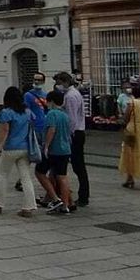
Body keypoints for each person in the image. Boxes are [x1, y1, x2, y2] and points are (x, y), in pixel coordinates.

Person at [0, 86, 39, 217]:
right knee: (26, 177)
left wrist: (0, 146)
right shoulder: (27, 112)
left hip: (11, 148)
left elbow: (5, 131)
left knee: (3, 175)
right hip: (26, 148)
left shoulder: (7, 112)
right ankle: (29, 207)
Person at [56, 73, 89, 208]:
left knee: (78, 166)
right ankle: (81, 194)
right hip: (78, 132)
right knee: (78, 165)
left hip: (75, 133)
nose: (58, 86)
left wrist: (68, 135)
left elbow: (72, 118)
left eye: (58, 82)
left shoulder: (70, 96)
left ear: (64, 82)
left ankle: (83, 196)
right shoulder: (74, 93)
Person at [43, 89, 75, 214]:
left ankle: (57, 200)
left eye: (47, 101)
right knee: (62, 177)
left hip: (55, 149)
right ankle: (66, 204)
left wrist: (46, 145)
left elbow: (52, 129)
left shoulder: (52, 114)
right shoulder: (65, 114)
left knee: (43, 172)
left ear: (51, 101)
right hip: (66, 149)